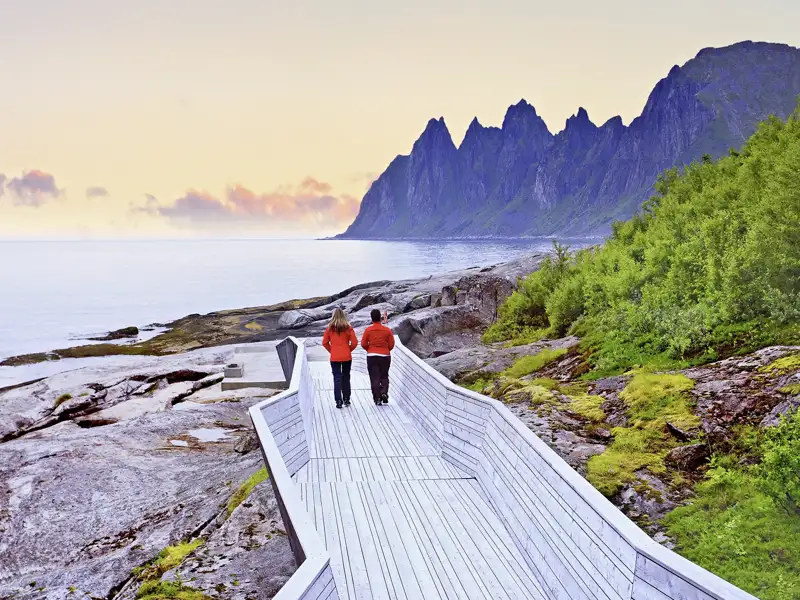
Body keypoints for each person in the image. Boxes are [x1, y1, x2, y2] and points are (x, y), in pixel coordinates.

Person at [322, 308, 358, 409]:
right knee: (346, 377)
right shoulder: (348, 327)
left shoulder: (329, 328)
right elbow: (354, 343)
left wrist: (332, 351)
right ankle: (346, 399)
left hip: (335, 357)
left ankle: (338, 401)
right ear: (343, 315)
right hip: (346, 356)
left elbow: (324, 343)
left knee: (337, 378)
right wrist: (348, 350)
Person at [361, 308, 394, 405]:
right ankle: (384, 392)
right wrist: (386, 350)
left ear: (371, 318)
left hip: (372, 356)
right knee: (384, 376)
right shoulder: (387, 330)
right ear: (380, 317)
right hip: (385, 355)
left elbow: (363, 343)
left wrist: (369, 349)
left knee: (374, 377)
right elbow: (391, 344)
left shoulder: (368, 330)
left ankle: (377, 398)